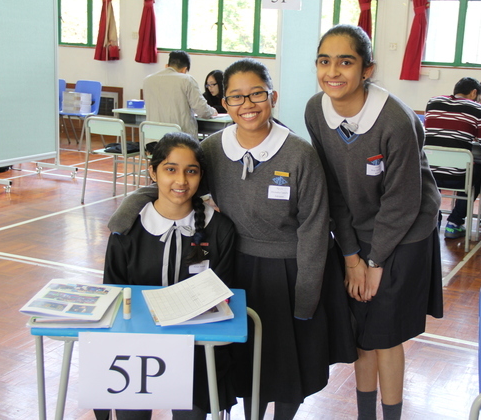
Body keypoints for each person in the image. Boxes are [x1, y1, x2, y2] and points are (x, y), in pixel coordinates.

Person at [108, 58, 357, 420]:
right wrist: (127, 211)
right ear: (224, 103)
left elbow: (315, 229)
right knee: (246, 364)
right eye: (236, 97)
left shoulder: (300, 153)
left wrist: (306, 298)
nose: (247, 105)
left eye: (257, 94)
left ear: (273, 96)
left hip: (294, 272)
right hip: (237, 269)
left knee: (290, 367)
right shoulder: (213, 148)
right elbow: (177, 186)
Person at [305, 25, 443, 420]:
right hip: (358, 229)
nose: (333, 71)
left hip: (405, 233)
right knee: (359, 333)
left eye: (345, 62)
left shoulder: (395, 120)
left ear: (367, 69)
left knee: (385, 335)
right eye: (324, 61)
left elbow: (402, 202)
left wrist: (375, 261)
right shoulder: (315, 110)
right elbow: (332, 187)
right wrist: (352, 257)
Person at [97, 132, 238, 420]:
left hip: (198, 351)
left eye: (191, 171)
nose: (181, 181)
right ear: (153, 172)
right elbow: (114, 297)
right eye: (170, 169)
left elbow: (220, 296)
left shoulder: (220, 230)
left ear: (201, 176)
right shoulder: (127, 231)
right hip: (136, 349)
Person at [424, 77, 481, 239]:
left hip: (429, 172)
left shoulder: (433, 102)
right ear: (474, 93)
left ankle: (435, 219)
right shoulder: (477, 108)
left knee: (439, 170)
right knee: (479, 171)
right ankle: (454, 223)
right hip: (458, 177)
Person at [143, 51, 217, 140]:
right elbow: (202, 110)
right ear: (184, 69)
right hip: (179, 141)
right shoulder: (186, 80)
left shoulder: (148, 80)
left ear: (167, 65)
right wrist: (212, 111)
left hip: (152, 140)